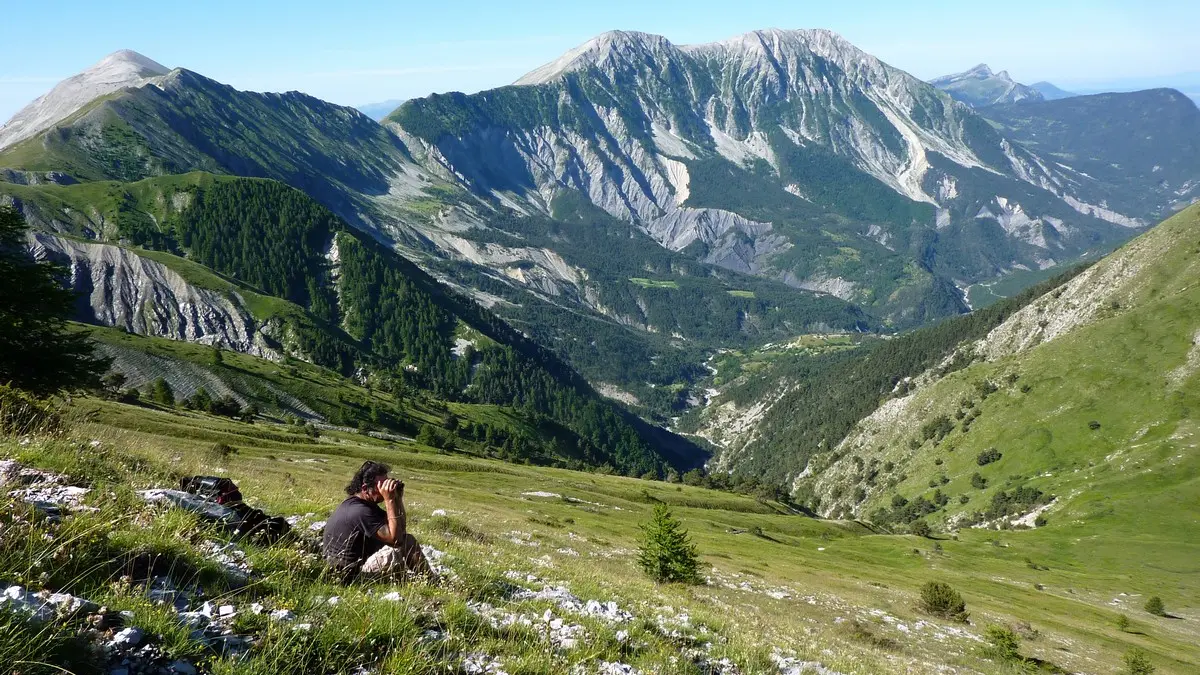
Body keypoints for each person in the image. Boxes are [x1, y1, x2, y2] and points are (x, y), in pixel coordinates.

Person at [322, 460, 435, 582]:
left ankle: (427, 580)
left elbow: (400, 528)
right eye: (381, 486)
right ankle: (431, 582)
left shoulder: (363, 504)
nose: (385, 490)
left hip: (349, 571)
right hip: (349, 575)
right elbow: (397, 540)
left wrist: (398, 499)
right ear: (365, 488)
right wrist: (389, 500)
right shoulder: (360, 511)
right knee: (408, 542)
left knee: (406, 541)